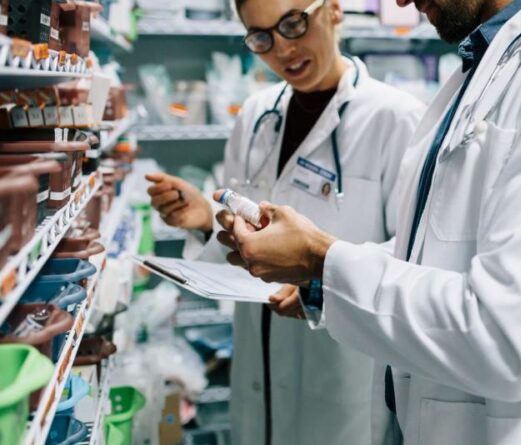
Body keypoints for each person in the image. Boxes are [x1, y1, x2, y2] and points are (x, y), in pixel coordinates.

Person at [215, 0, 521, 443]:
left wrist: (322, 258)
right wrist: (317, 271)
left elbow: (508, 337)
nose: (399, 2)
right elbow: (439, 254)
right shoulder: (487, 66)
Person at [145, 0, 425, 442]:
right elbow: (242, 233)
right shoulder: (256, 115)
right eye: (261, 37)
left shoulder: (397, 120)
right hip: (258, 373)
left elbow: (412, 260)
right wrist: (203, 221)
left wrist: (321, 281)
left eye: (293, 23)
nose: (282, 49)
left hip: (342, 380)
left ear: (333, 10)